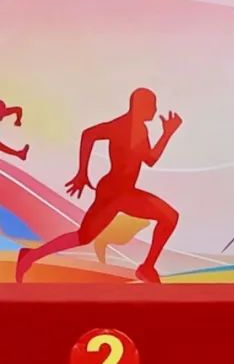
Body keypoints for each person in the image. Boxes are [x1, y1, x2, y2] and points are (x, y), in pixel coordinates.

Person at [16, 88, 181, 283]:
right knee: (84, 237)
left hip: (124, 192)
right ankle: (146, 267)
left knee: (84, 236)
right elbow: (89, 134)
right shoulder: (120, 125)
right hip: (113, 193)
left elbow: (150, 159)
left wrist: (167, 134)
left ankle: (30, 256)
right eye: (152, 105)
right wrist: (82, 172)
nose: (155, 109)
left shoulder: (141, 129)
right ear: (140, 106)